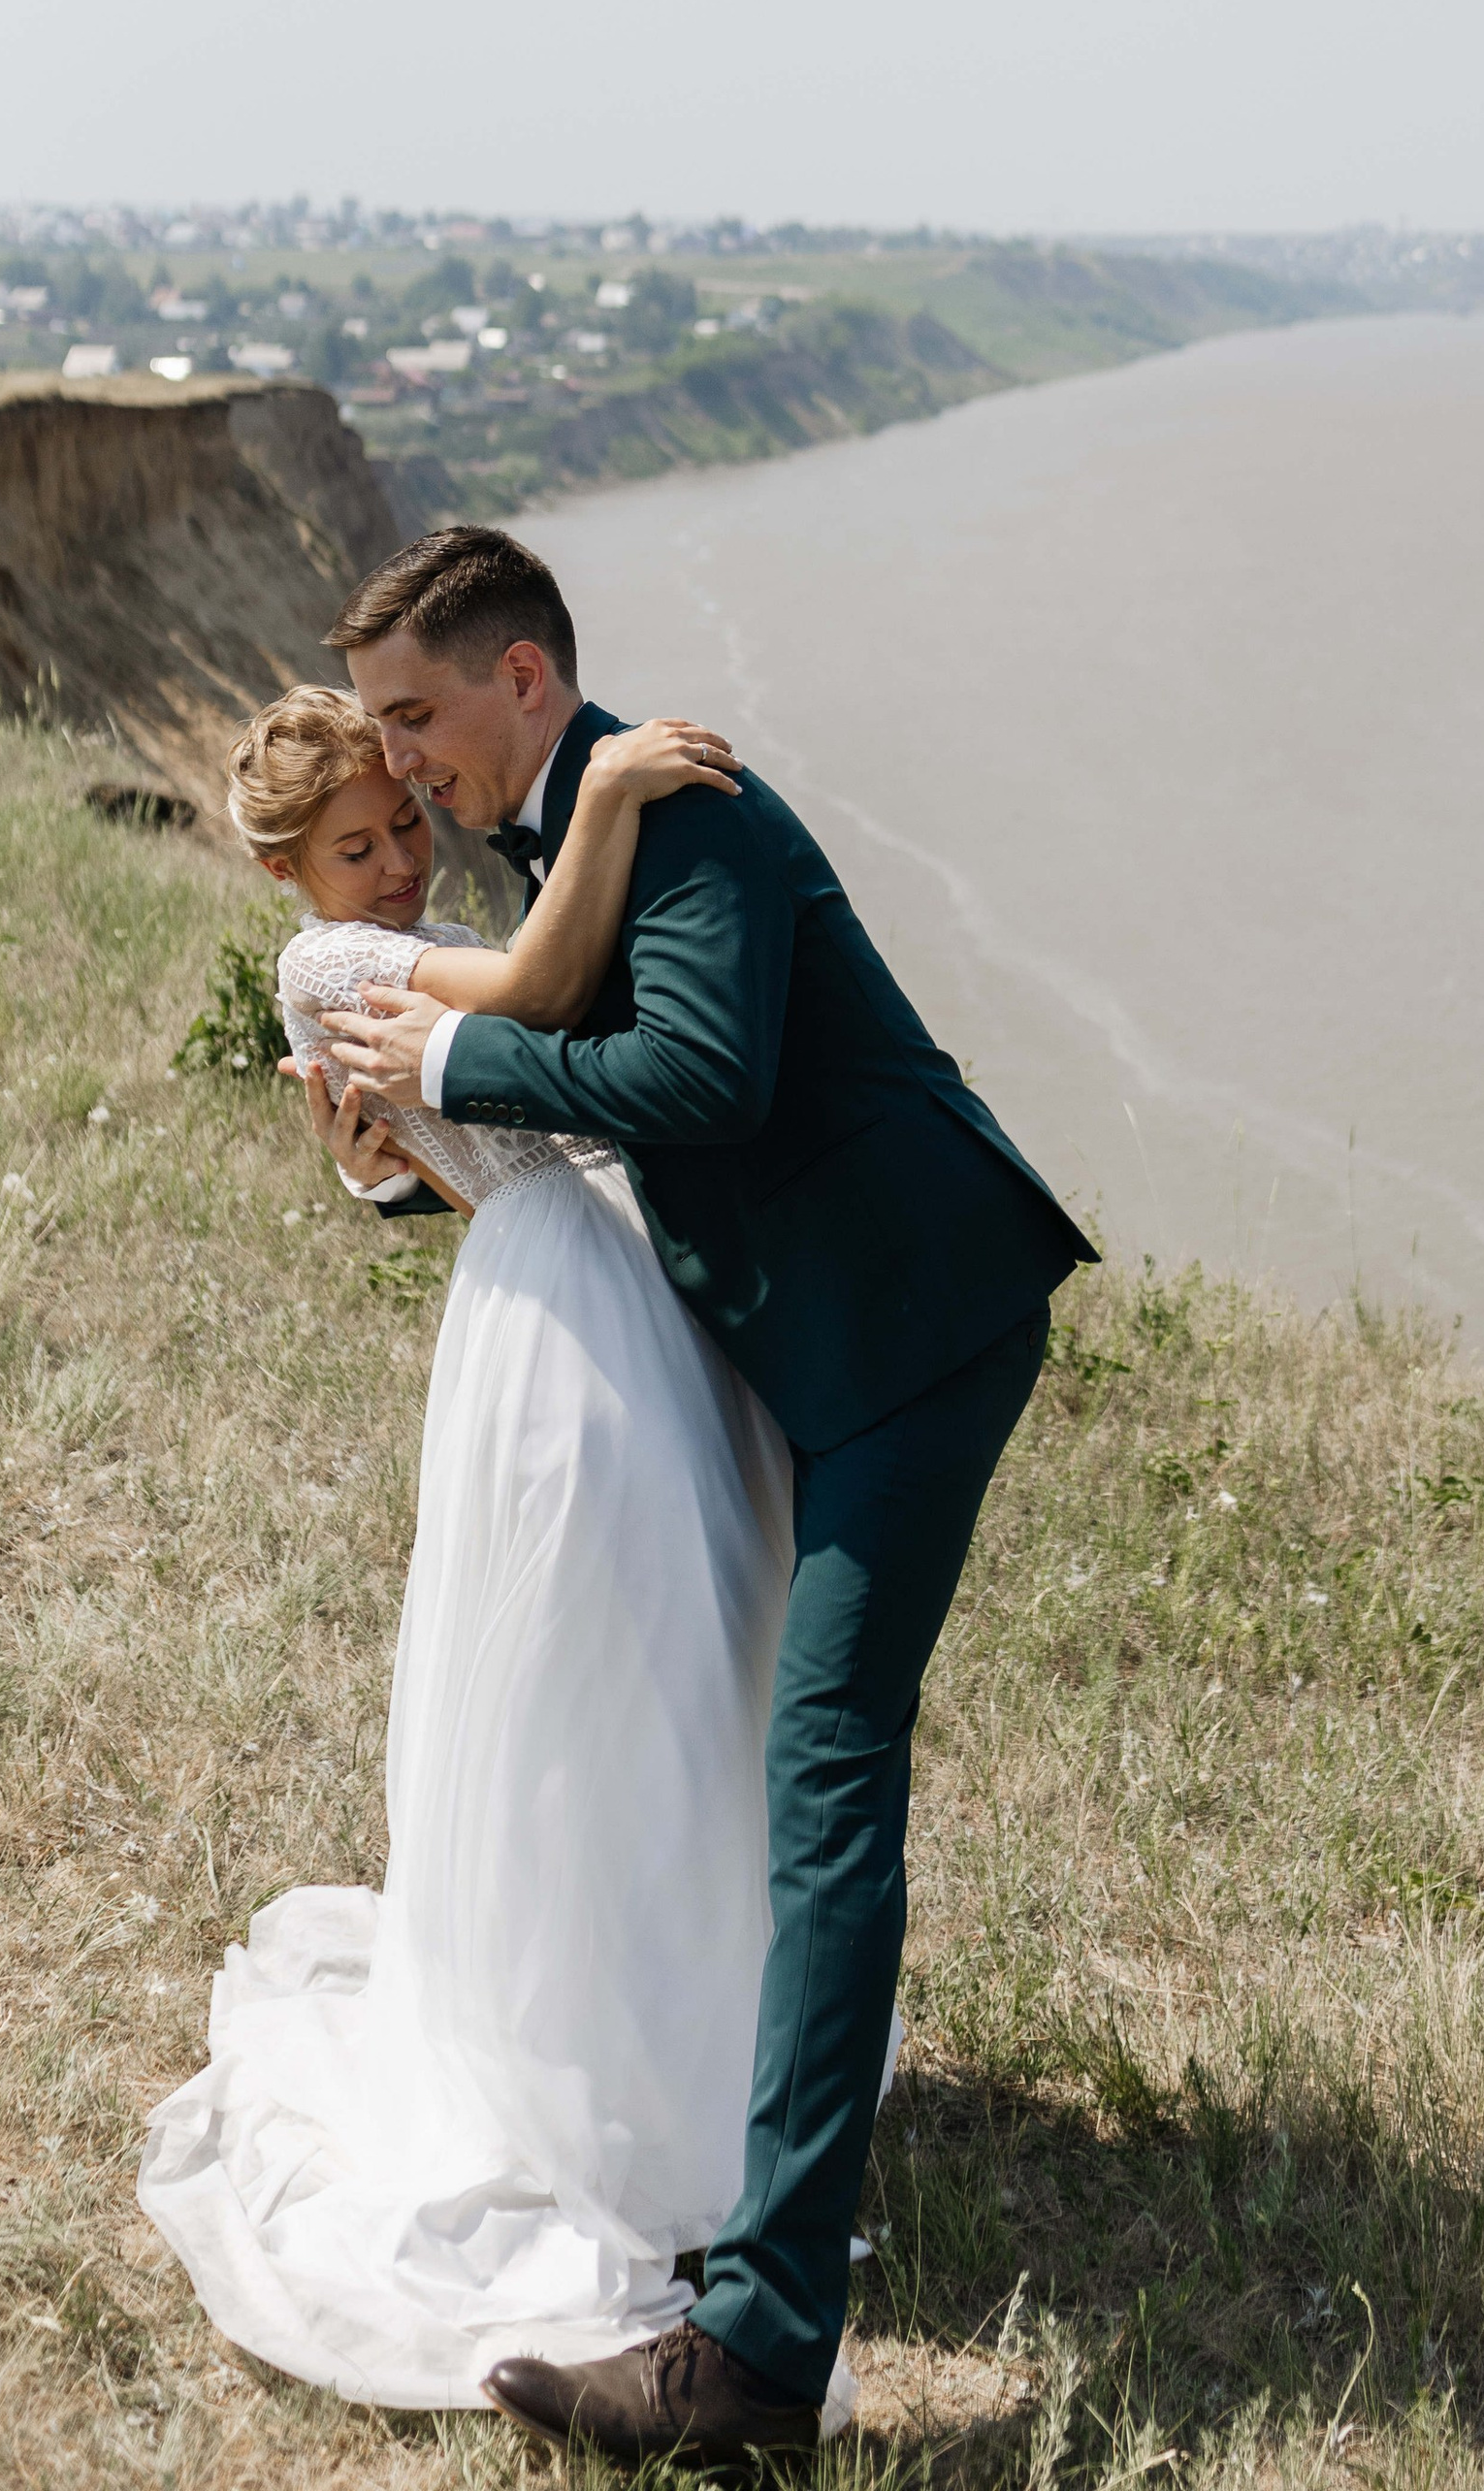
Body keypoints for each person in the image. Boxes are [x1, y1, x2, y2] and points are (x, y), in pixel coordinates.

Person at [313, 523, 1092, 2468]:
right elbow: (588, 1094)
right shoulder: (575, 829)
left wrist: (465, 1054)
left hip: (910, 1333)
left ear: (521, 678)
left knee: (826, 1775)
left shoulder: (681, 806)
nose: (402, 761)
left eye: (420, 715)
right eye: (379, 730)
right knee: (766, 1752)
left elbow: (708, 1082)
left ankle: (750, 2354)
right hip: (796, 1343)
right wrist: (409, 1134)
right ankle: (726, 2139)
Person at [137, 682, 811, 2412]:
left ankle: (692, 2008)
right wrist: (615, 797)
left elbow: (488, 1108)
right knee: (579, 1675)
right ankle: (583, 2064)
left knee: (682, 1657)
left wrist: (389, 1166)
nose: (391, 862)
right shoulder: (325, 970)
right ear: (285, 872)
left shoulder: (415, 938)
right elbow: (536, 1002)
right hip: (552, 1305)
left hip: (616, 1279)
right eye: (352, 847)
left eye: (401, 825)